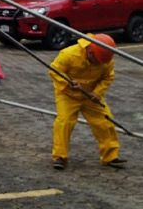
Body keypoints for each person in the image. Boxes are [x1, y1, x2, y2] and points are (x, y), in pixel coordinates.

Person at [50, 33, 126, 170]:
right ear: (90, 51)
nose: (98, 63)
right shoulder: (69, 54)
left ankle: (110, 156)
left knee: (106, 122)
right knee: (64, 122)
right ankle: (60, 157)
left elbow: (107, 77)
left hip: (90, 96)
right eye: (96, 59)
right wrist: (68, 83)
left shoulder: (106, 59)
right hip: (68, 95)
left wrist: (97, 93)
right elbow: (55, 70)